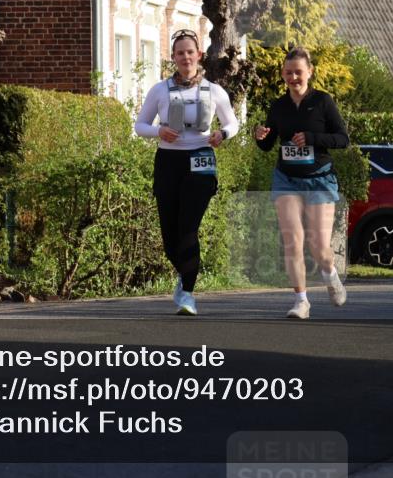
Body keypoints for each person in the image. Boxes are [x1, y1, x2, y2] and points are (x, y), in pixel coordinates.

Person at [134, 29, 239, 315]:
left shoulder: (214, 91)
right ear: (173, 58)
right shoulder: (160, 90)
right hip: (168, 162)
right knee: (170, 236)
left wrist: (222, 135)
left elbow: (233, 123)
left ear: (199, 55)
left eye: (190, 52)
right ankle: (184, 275)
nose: (185, 57)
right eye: (180, 53)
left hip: (201, 161)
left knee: (188, 228)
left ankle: (188, 294)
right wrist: (159, 131)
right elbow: (139, 125)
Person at [254, 47, 349, 319]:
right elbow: (268, 144)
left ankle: (330, 274)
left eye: (298, 71)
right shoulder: (278, 106)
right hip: (286, 179)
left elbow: (342, 139)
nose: (293, 77)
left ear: (310, 72)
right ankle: (301, 301)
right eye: (288, 72)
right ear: (283, 74)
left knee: (319, 246)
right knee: (292, 242)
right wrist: (259, 135)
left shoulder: (323, 102)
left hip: (319, 179)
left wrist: (312, 138)